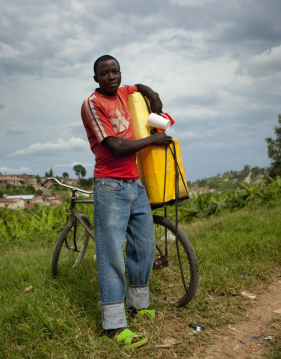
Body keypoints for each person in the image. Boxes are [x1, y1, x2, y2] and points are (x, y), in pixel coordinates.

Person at [81, 55, 172, 349]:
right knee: (111, 256)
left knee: (144, 246)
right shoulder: (92, 104)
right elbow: (116, 146)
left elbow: (138, 87)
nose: (111, 76)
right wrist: (152, 141)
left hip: (135, 184)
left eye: (115, 71)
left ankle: (139, 306)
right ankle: (114, 325)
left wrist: (152, 93)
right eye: (104, 73)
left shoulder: (124, 91)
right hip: (109, 186)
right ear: (96, 79)